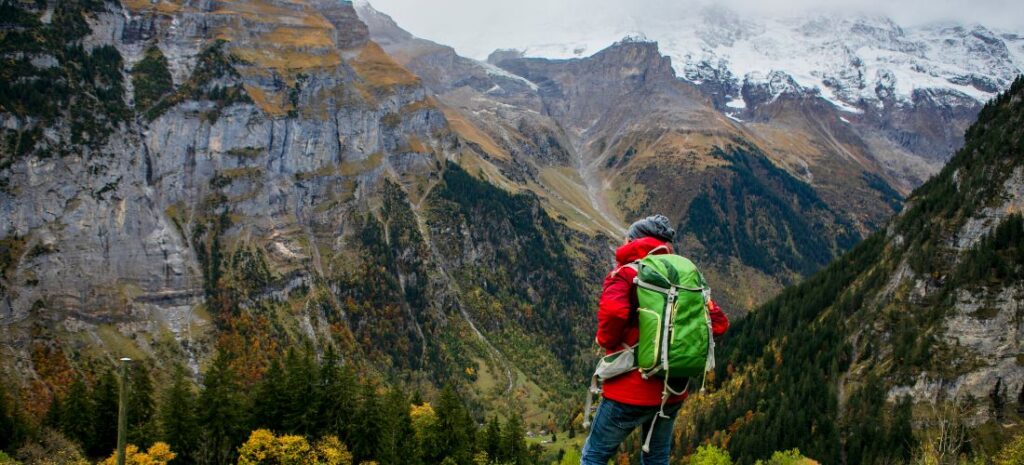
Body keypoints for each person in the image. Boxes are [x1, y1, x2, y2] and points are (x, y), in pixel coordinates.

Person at [581, 214, 730, 465]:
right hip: (672, 388)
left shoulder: (626, 274)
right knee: (656, 457)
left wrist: (605, 339)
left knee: (594, 455)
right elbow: (719, 323)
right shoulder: (685, 275)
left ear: (633, 240)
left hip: (629, 389)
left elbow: (613, 315)